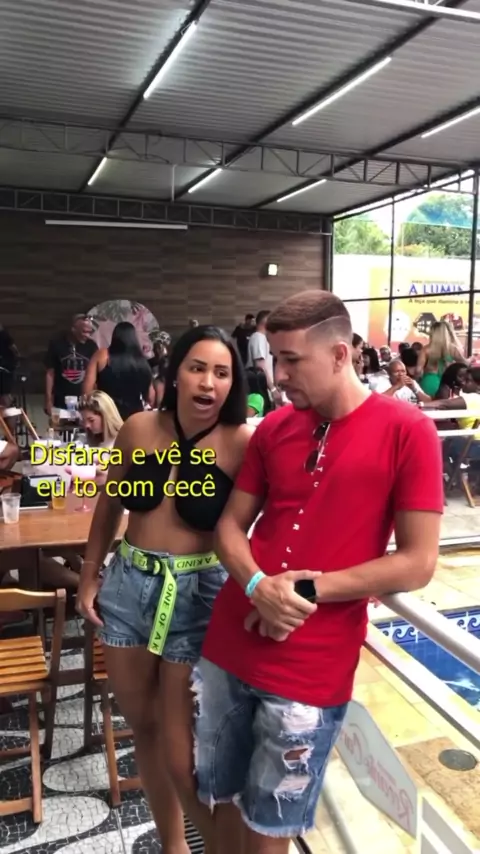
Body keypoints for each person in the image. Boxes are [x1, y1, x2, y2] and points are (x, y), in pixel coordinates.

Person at [191, 290, 443, 854]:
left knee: (271, 828)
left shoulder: (408, 431)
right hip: (230, 642)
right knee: (219, 800)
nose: (278, 375)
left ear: (339, 354)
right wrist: (258, 586)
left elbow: (419, 561)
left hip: (312, 662)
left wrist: (300, 590)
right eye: (275, 358)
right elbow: (229, 528)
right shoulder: (274, 429)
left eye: (291, 360)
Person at [76, 325, 252, 853]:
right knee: (144, 728)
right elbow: (110, 504)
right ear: (175, 373)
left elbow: (259, 525)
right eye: (197, 368)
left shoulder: (241, 443)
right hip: (128, 589)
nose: (208, 382)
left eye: (221, 372)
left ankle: (220, 846)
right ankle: (174, 846)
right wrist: (89, 575)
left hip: (197, 596)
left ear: (233, 383)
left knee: (182, 749)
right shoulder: (139, 428)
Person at [83, 321, 155, 420]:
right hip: (134, 418)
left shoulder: (102, 355)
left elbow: (87, 390)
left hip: (106, 416)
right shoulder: (142, 361)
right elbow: (151, 397)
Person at [45, 313, 97, 414]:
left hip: (83, 400)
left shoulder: (91, 346)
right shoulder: (57, 344)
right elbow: (50, 373)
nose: (88, 335)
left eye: (89, 332)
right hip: (60, 399)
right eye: (84, 332)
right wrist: (48, 400)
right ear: (73, 329)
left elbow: (95, 375)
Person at [418, 320, 466, 398]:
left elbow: (417, 370)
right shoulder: (453, 349)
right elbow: (464, 365)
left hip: (429, 381)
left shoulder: (426, 349)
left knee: (427, 404)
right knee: (444, 404)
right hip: (447, 384)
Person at [247, 311, 274, 390]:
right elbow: (260, 366)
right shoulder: (259, 337)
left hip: (264, 385)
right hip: (261, 387)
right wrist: (273, 389)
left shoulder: (260, 337)